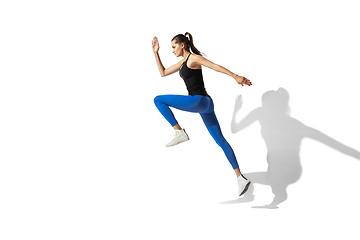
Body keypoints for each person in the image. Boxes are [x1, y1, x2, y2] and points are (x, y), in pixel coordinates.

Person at [152, 32, 252, 196]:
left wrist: (236, 77)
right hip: (206, 106)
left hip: (199, 101)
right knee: (221, 140)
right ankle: (240, 178)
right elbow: (162, 73)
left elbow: (216, 67)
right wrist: (156, 53)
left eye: (173, 46)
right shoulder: (182, 62)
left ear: (182, 45)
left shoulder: (193, 58)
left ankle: (179, 131)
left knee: (158, 100)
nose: (172, 50)